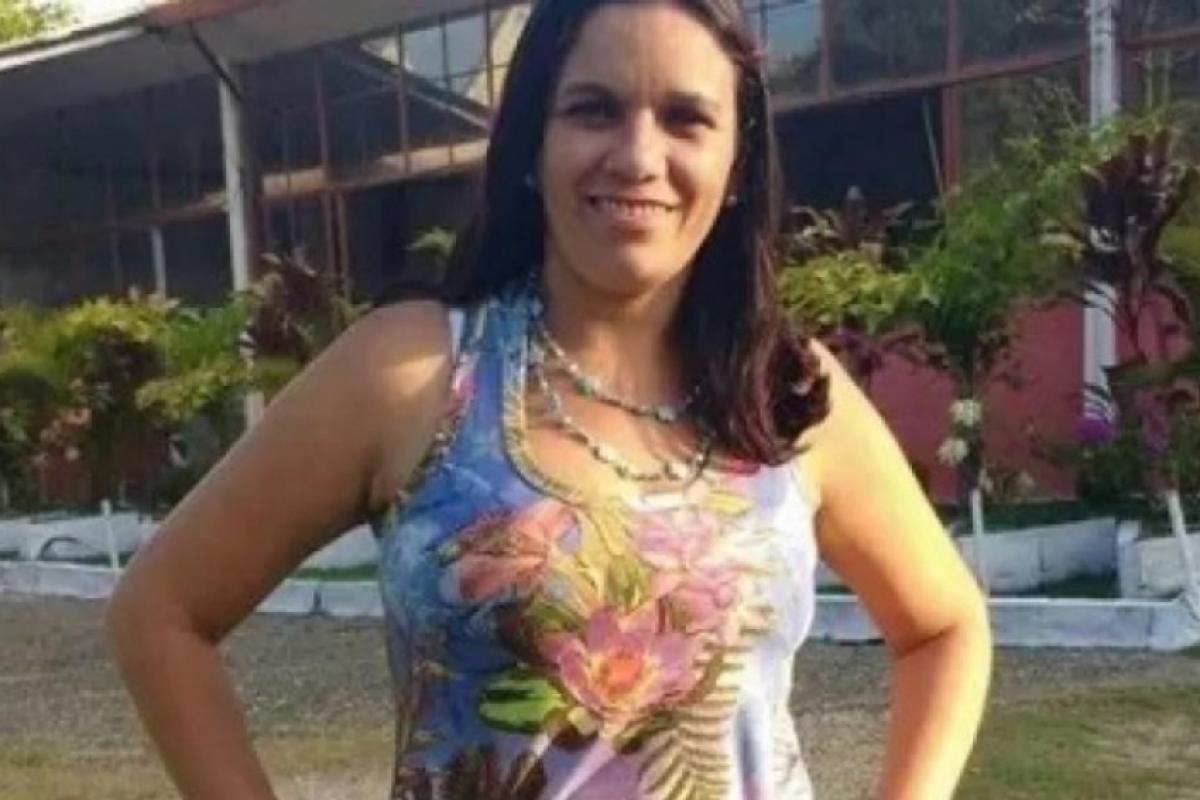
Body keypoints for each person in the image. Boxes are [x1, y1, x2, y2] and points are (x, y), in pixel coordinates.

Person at [105, 0, 993, 798]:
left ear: (736, 165)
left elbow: (945, 626)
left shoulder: (784, 391)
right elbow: (162, 609)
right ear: (532, 144)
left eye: (686, 118)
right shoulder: (415, 371)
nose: (638, 157)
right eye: (593, 109)